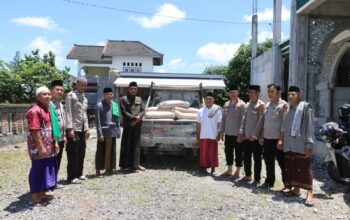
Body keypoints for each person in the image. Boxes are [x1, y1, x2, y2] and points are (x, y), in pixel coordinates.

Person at [281, 86, 315, 207]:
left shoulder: (306, 107)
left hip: (302, 144)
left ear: (299, 96)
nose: (290, 96)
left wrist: (309, 144)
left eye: (293, 94)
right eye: (289, 94)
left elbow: (310, 127)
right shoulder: (288, 108)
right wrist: (282, 140)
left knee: (305, 169)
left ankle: (310, 193)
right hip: (290, 143)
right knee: (293, 167)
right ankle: (296, 190)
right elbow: (285, 126)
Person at [26, 86, 59, 205]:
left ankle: (41, 192)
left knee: (46, 168)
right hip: (38, 146)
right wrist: (41, 147)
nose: (48, 96)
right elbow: (34, 130)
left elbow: (52, 127)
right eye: (44, 94)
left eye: (49, 94)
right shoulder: (34, 110)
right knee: (37, 169)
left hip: (48, 144)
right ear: (38, 97)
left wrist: (55, 142)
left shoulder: (48, 109)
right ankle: (35, 196)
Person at [256, 84, 287, 189]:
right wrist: (261, 136)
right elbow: (265, 122)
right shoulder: (268, 104)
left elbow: (284, 124)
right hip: (267, 138)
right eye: (269, 91)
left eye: (272, 91)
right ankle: (269, 182)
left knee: (282, 162)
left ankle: (287, 184)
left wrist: (281, 140)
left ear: (278, 92)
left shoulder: (284, 105)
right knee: (268, 161)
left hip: (277, 139)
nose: (270, 93)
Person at [65, 77, 90, 184]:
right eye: (81, 85)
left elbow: (85, 115)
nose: (83, 87)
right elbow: (68, 112)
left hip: (82, 129)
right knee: (72, 153)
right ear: (76, 85)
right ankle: (71, 176)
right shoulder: (71, 96)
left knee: (81, 152)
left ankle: (79, 173)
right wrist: (69, 128)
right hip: (74, 129)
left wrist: (87, 129)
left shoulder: (85, 98)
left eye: (85, 85)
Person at [239, 85, 265, 184]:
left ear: (258, 93)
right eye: (249, 92)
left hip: (255, 137)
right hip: (246, 136)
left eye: (252, 92)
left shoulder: (261, 105)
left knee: (257, 158)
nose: (250, 94)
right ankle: (248, 175)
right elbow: (244, 120)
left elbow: (261, 121)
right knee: (246, 156)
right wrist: (242, 132)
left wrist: (254, 135)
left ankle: (257, 178)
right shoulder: (248, 104)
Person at [219, 85, 246, 178]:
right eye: (231, 92)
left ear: (238, 93)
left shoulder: (242, 104)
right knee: (228, 151)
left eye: (235, 92)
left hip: (237, 134)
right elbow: (223, 119)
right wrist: (221, 131)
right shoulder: (226, 104)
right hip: (228, 133)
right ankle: (230, 169)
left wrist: (241, 133)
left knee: (238, 152)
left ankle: (237, 171)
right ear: (229, 94)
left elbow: (243, 119)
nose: (233, 94)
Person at [119, 81, 146, 172]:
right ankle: (124, 166)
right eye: (132, 89)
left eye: (135, 89)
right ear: (128, 89)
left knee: (136, 146)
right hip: (128, 125)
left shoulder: (139, 99)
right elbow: (123, 112)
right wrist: (134, 118)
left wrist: (138, 118)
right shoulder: (123, 99)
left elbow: (143, 110)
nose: (133, 90)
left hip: (137, 126)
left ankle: (136, 165)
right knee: (126, 145)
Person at [95, 87, 121, 176]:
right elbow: (97, 121)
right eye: (107, 94)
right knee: (100, 151)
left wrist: (118, 131)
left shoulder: (115, 105)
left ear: (112, 95)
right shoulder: (99, 105)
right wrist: (99, 134)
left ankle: (109, 169)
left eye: (110, 94)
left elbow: (117, 119)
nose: (109, 96)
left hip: (112, 132)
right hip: (103, 132)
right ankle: (98, 169)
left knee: (111, 151)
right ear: (104, 95)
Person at [196, 92, 222, 176]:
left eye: (210, 99)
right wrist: (198, 136)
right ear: (205, 100)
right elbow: (198, 124)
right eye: (207, 99)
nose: (208, 100)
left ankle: (213, 169)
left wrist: (219, 134)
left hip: (213, 135)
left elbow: (219, 123)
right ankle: (203, 168)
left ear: (213, 99)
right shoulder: (200, 111)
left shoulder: (217, 109)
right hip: (203, 135)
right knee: (203, 153)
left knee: (213, 153)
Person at [50, 80, 66, 189]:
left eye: (61, 90)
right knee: (51, 160)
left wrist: (64, 136)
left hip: (60, 137)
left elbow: (62, 121)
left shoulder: (60, 104)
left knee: (58, 159)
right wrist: (54, 139)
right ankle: (49, 183)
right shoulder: (49, 104)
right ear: (51, 91)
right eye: (57, 90)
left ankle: (54, 181)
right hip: (52, 138)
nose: (60, 92)